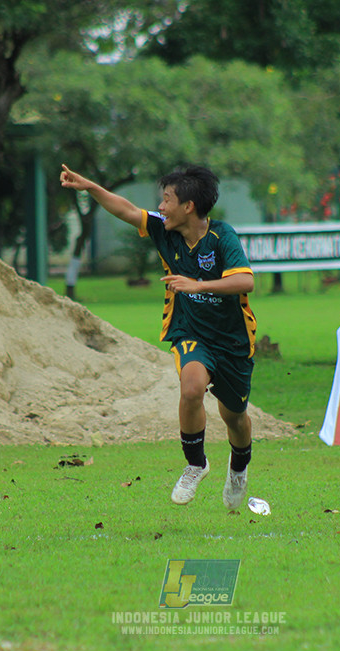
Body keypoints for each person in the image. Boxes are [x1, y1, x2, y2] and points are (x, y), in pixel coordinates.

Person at [60, 164, 256, 509]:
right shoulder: (165, 230)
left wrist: (198, 285)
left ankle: (238, 467)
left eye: (166, 200)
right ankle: (196, 464)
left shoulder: (222, 236)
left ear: (188, 207)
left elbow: (246, 282)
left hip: (233, 341)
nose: (160, 207)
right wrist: (91, 186)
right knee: (192, 387)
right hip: (189, 330)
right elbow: (124, 208)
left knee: (235, 418)